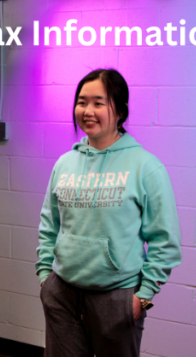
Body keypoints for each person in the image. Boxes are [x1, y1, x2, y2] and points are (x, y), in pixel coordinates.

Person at [36, 68, 181, 357]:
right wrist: (45, 278)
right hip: (62, 295)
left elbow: (165, 242)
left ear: (120, 110)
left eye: (98, 103)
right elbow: (49, 225)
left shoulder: (145, 167)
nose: (87, 111)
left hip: (117, 299)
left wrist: (143, 297)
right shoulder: (64, 163)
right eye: (81, 101)